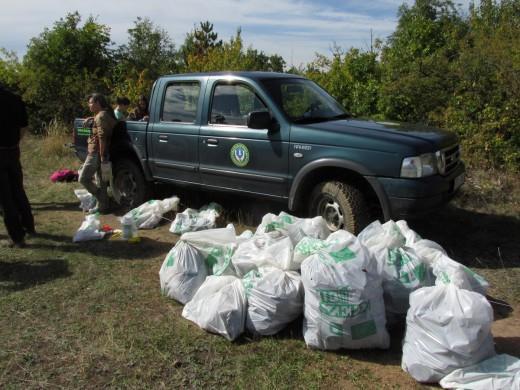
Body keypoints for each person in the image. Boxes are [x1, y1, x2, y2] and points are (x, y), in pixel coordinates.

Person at [0, 83, 35, 248]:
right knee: (18, 189)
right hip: (13, 150)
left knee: (5, 198)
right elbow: (24, 126)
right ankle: (29, 226)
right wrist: (14, 143)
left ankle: (17, 237)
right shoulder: (15, 98)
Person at [79, 93, 117, 214]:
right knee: (100, 180)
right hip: (98, 152)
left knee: (83, 179)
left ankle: (103, 200)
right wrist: (91, 119)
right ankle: (103, 206)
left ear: (97, 103)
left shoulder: (101, 116)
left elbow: (102, 137)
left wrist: (102, 156)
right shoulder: (102, 115)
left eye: (91, 102)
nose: (89, 105)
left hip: (96, 152)